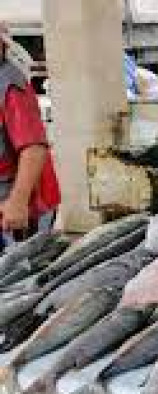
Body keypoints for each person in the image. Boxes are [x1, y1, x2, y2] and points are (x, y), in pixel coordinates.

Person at [0, 23, 60, 246]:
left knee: (20, 265)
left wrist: (18, 202)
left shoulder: (10, 85)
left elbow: (34, 149)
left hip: (20, 204)